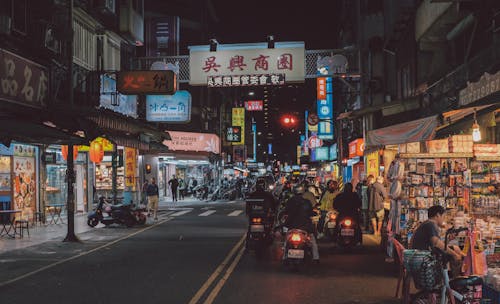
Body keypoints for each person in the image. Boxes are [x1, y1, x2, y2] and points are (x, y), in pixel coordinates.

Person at [283, 184, 320, 262]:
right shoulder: (306, 202)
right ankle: (316, 257)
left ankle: (284, 257)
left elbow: (286, 211)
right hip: (305, 226)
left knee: (286, 240)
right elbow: (310, 212)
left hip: (292, 226)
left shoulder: (290, 201)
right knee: (313, 240)